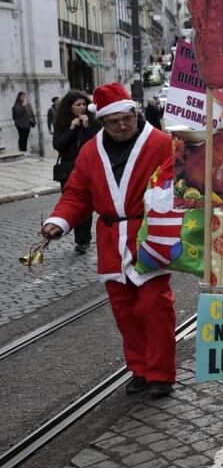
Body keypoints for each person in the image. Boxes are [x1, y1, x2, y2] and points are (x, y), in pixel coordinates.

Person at [41, 83, 177, 396]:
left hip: (148, 238)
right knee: (125, 312)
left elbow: (180, 184)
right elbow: (77, 193)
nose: (122, 126)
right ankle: (140, 369)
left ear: (135, 112)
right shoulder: (90, 151)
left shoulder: (160, 143)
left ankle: (161, 374)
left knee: (154, 308)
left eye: (127, 118)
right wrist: (58, 222)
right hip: (110, 241)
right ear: (101, 122)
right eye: (114, 122)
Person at [52, 90, 99, 254]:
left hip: (87, 167)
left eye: (84, 104)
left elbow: (97, 142)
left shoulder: (92, 121)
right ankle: (79, 237)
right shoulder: (62, 122)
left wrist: (86, 126)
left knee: (85, 202)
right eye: (77, 105)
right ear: (69, 107)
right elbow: (58, 144)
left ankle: (83, 240)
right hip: (68, 169)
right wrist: (72, 128)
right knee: (72, 201)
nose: (81, 108)